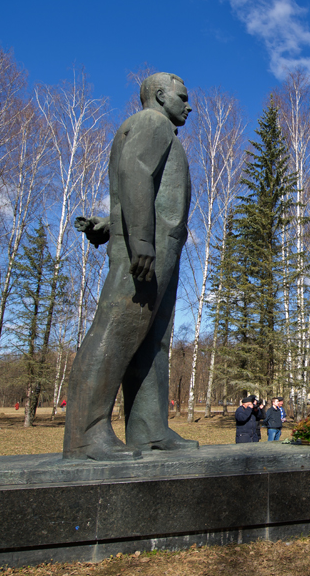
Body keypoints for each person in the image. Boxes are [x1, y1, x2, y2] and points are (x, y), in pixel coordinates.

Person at [64, 73, 198, 460]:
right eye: (182, 97)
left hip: (159, 246)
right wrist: (139, 239)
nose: (188, 106)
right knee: (117, 330)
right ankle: (85, 435)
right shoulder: (152, 122)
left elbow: (137, 189)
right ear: (160, 95)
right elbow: (135, 171)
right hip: (149, 248)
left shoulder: (157, 130)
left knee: (150, 340)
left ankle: (148, 430)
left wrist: (111, 225)